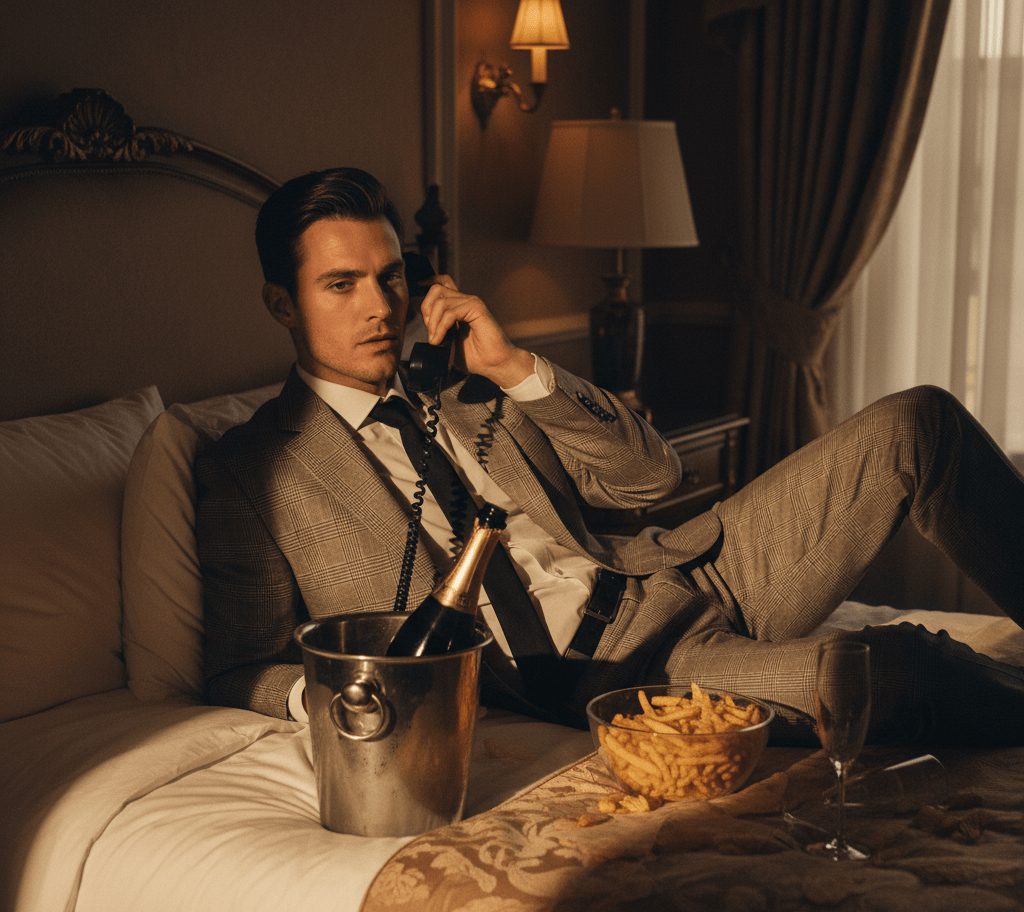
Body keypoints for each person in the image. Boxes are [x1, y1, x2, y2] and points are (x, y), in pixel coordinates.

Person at [195, 167, 1024, 745]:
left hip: (686, 572)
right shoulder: (253, 469)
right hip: (629, 671)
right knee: (898, 671)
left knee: (921, 424)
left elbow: (653, 478)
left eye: (390, 277)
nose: (379, 306)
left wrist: (516, 369)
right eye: (341, 285)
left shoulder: (469, 389)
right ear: (281, 303)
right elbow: (240, 667)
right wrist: (348, 697)